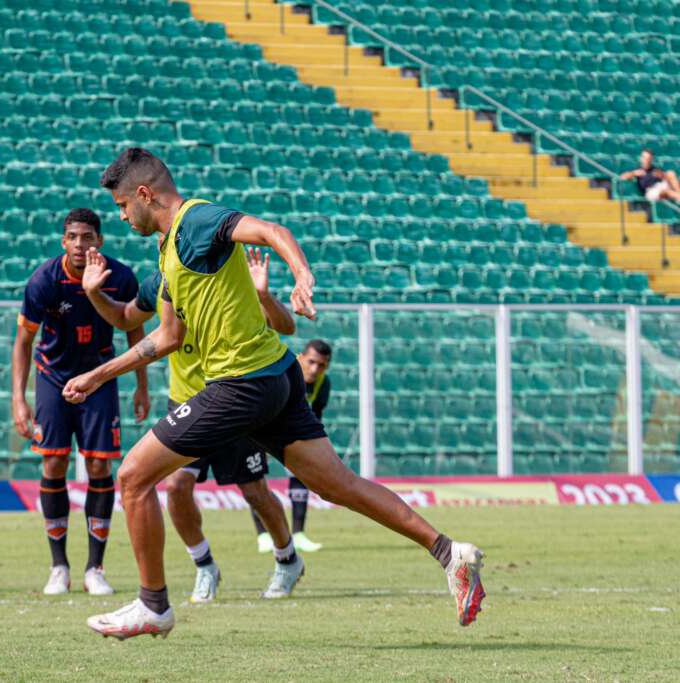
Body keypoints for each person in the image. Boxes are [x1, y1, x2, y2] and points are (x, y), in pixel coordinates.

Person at [63, 148, 486, 640]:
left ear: (143, 194)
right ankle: (449, 553)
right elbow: (168, 338)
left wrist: (301, 276)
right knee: (338, 485)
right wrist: (99, 375)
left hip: (240, 382)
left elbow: (271, 232)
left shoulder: (196, 220)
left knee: (134, 478)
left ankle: (153, 604)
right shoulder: (169, 250)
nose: (120, 216)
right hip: (275, 375)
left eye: (120, 206)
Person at [82, 245, 303, 602]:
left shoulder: (230, 278)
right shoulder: (159, 284)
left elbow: (286, 326)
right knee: (177, 486)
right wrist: (94, 293)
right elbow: (125, 318)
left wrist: (264, 295)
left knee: (254, 491)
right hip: (188, 400)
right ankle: (204, 566)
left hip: (236, 395)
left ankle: (287, 558)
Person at [11, 208, 150, 597]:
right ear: (63, 241)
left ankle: (95, 568)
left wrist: (142, 386)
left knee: (98, 465)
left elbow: (134, 331)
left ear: (99, 242)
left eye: (87, 237)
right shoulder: (44, 281)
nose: (79, 244)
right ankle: (59, 566)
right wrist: (18, 400)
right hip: (53, 378)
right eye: (72, 237)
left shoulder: (120, 278)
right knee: (53, 462)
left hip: (100, 378)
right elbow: (23, 343)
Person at [252, 339, 332, 554]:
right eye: (311, 362)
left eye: (322, 365)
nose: (315, 369)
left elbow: (315, 414)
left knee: (303, 474)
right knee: (255, 480)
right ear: (302, 358)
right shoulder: (285, 370)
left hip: (289, 431)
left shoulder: (323, 383)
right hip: (260, 427)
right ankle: (263, 535)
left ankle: (298, 534)